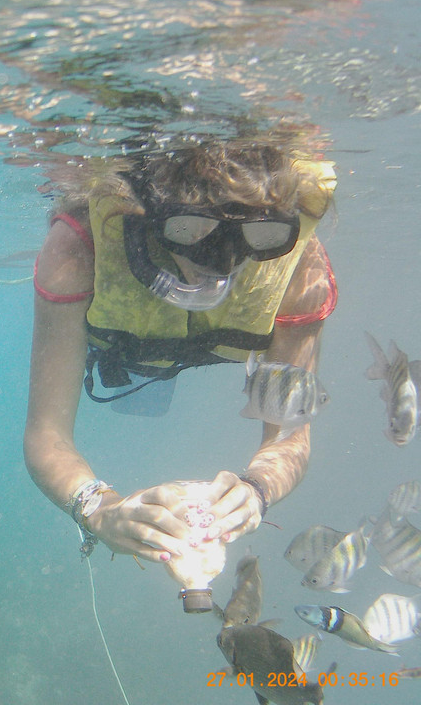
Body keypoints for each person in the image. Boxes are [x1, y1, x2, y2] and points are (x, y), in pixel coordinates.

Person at [24, 138, 336, 563]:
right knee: (136, 392)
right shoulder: (75, 250)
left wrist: (258, 489)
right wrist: (100, 509)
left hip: (175, 337)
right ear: (149, 212)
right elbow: (46, 434)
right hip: (121, 346)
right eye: (190, 229)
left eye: (259, 234)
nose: (222, 261)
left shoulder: (301, 267)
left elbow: (292, 432)